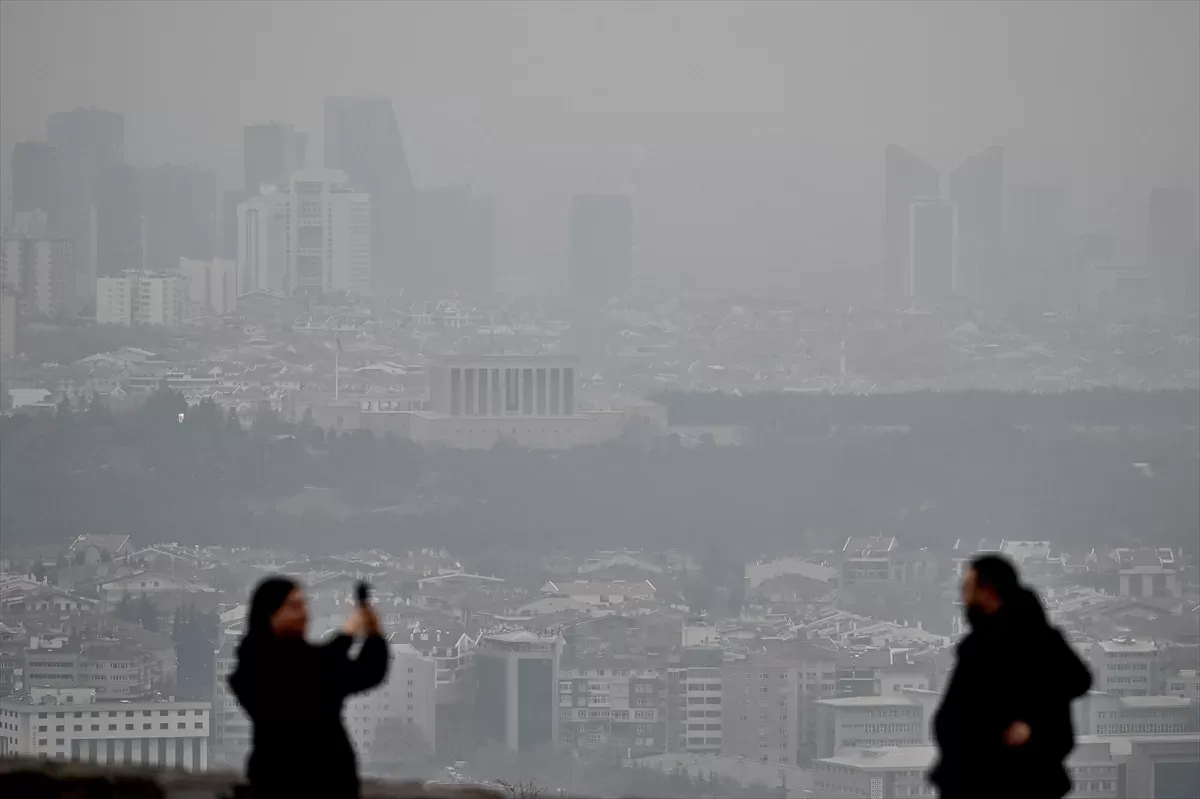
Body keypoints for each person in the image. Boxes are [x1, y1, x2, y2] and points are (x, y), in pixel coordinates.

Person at [930, 555, 1092, 799]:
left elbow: (1077, 680)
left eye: (967, 588)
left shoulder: (1022, 641)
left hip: (1007, 780)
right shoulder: (983, 642)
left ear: (988, 591)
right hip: (980, 778)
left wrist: (1030, 725)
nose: (963, 597)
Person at [229, 576, 390, 799]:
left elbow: (359, 672)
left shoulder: (251, 663)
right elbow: (311, 675)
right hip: (303, 783)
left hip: (285, 781)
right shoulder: (262, 667)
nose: (304, 614)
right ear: (270, 614)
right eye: (294, 606)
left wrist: (369, 635)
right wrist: (353, 635)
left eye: (303, 605)